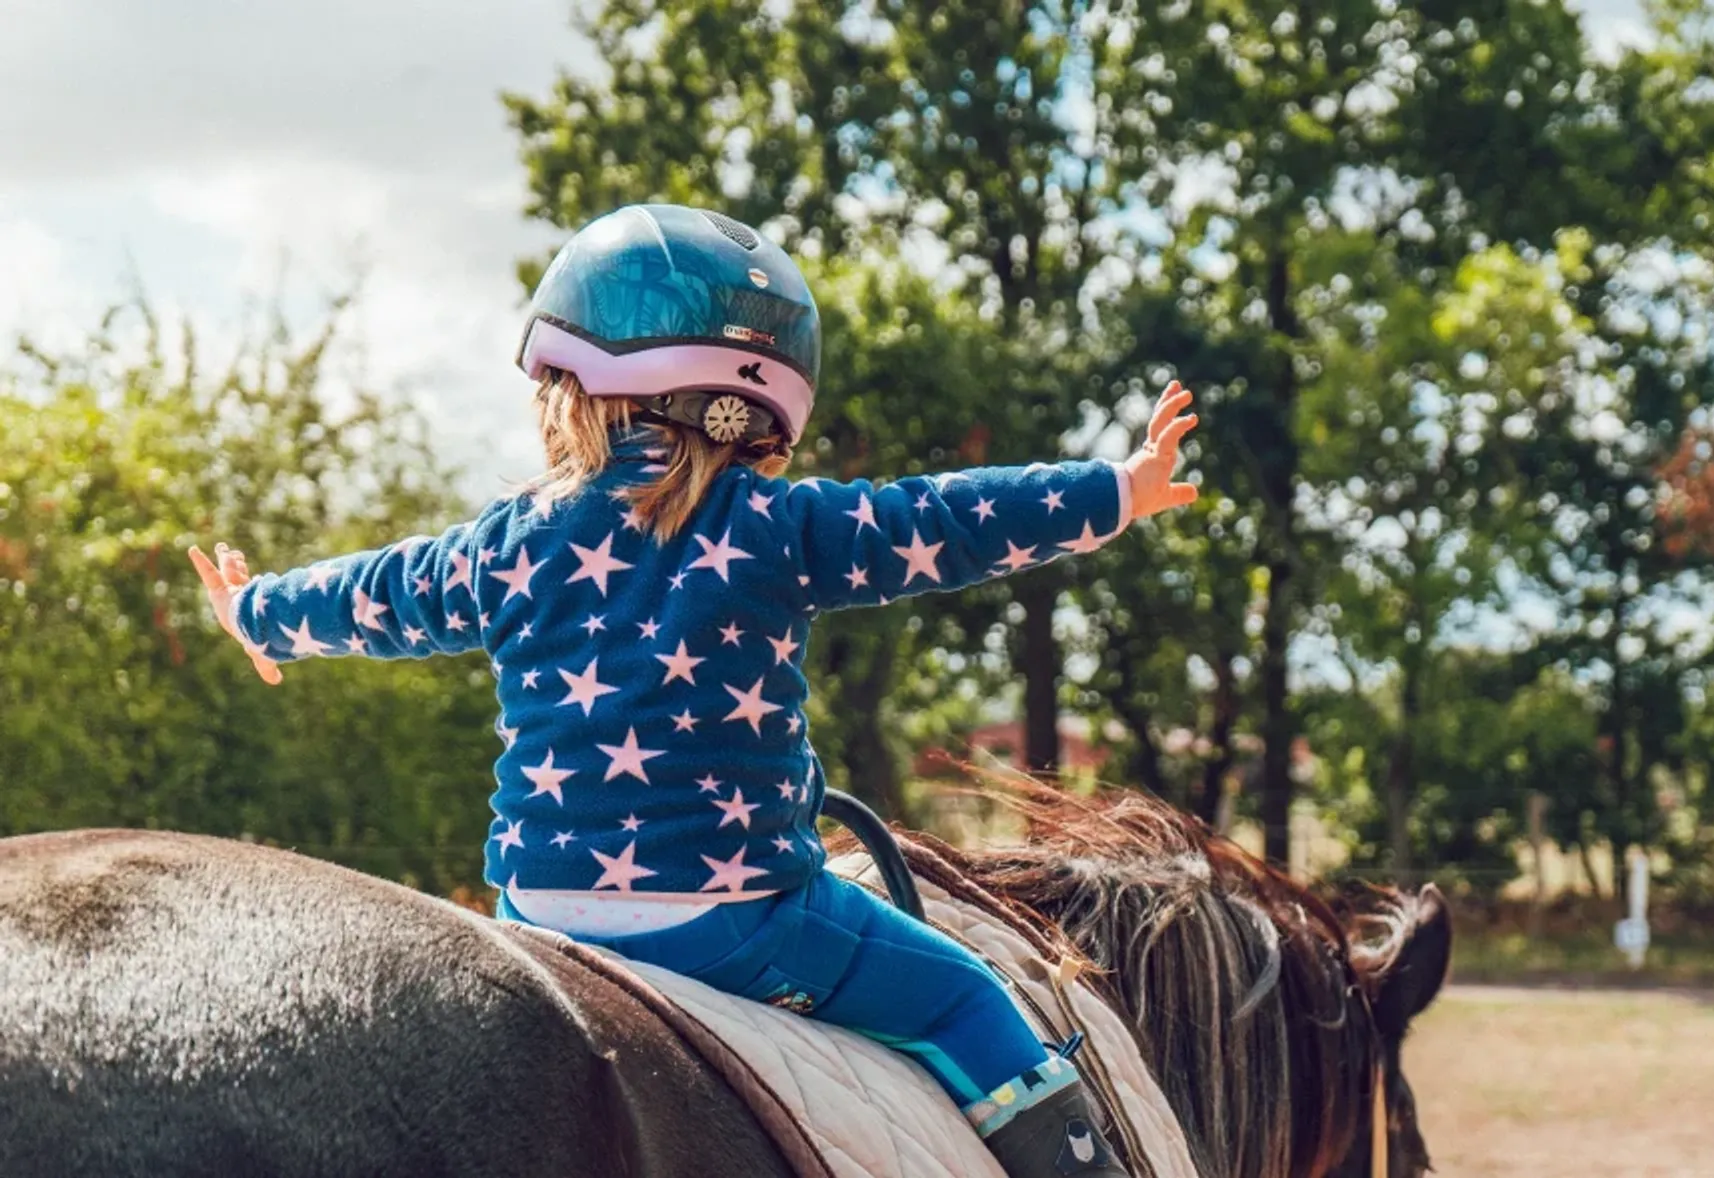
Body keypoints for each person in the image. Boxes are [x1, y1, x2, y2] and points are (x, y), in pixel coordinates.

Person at [189, 204, 1199, 1177]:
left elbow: (380, 588)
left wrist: (261, 614)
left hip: (536, 911)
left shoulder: (503, 541)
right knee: (963, 1000)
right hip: (737, 916)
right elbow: (946, 519)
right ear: (757, 407)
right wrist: (1120, 487)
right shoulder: (779, 525)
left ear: (574, 388)